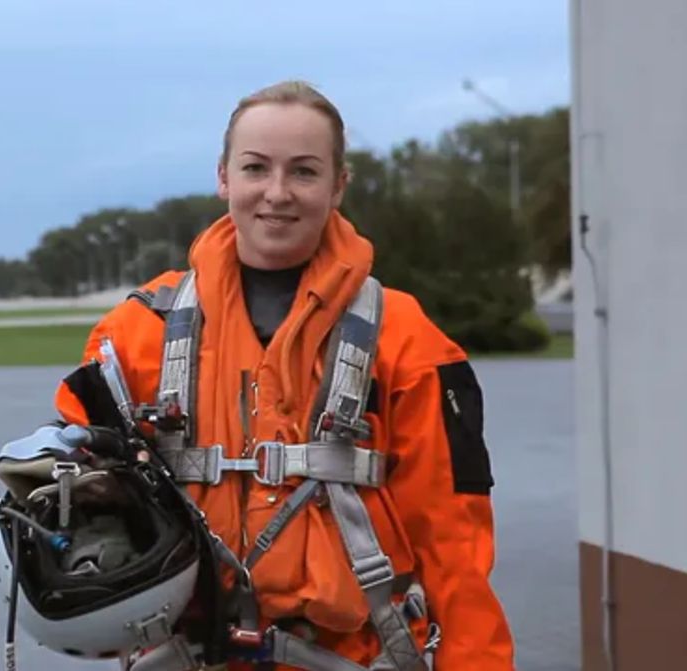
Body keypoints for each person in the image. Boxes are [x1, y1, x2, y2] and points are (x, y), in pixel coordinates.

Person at [51, 80, 516, 670]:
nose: (276, 193)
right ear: (224, 177)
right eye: (255, 168)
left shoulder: (405, 339)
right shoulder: (139, 332)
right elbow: (77, 487)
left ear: (338, 185)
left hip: (352, 654)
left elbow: (455, 542)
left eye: (303, 171)